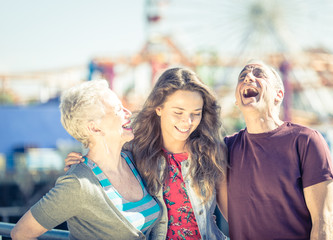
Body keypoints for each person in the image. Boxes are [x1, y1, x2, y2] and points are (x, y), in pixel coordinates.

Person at [64, 67, 229, 239]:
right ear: (158, 108)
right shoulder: (134, 151)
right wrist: (81, 167)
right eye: (178, 112)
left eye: (196, 113)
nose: (187, 122)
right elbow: (102, 172)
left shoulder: (213, 151)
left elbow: (229, 212)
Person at [11, 80, 164, 240]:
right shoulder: (78, 184)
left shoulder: (132, 160)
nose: (128, 112)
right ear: (94, 127)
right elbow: (20, 233)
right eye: (118, 110)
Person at [224, 60, 333, 240]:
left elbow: (323, 221)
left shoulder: (306, 141)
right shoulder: (225, 150)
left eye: (259, 74)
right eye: (242, 76)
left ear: (279, 94)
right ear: (237, 101)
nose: (248, 77)